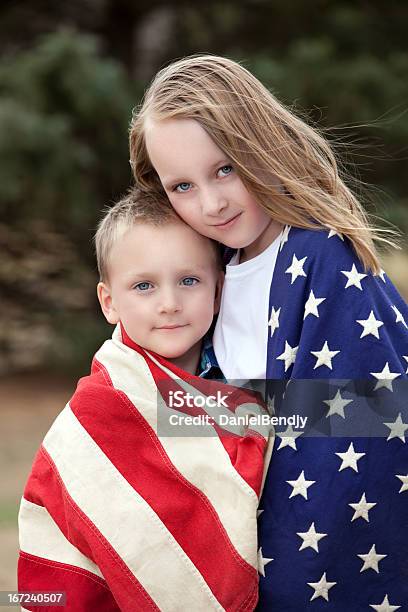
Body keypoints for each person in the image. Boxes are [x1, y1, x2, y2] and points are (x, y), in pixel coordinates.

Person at [129, 55, 408, 610]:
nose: (212, 203)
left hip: (319, 563)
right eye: (182, 186)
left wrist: (203, 410)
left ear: (262, 145)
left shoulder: (323, 257)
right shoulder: (208, 274)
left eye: (226, 168)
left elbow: (380, 410)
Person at [18, 189, 270, 612]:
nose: (169, 304)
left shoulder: (241, 367)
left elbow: (356, 413)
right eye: (144, 286)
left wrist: (376, 406)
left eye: (189, 280)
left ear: (218, 288)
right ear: (109, 302)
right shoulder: (103, 407)